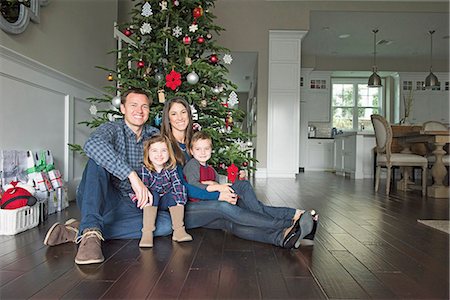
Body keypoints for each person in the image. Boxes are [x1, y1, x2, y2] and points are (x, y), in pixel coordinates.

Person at [159, 97, 318, 249]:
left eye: (183, 112)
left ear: (189, 114)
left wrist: (224, 183)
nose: (179, 117)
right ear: (168, 118)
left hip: (203, 200)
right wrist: (218, 194)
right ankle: (290, 224)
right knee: (225, 208)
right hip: (182, 207)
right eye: (174, 113)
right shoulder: (165, 148)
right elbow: (181, 188)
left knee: (236, 211)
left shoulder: (192, 143)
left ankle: (284, 235)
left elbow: (206, 174)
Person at [43, 88, 173, 265]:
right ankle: (90, 230)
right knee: (98, 159)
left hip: (132, 202)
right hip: (101, 197)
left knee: (165, 224)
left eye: (144, 106)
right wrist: (132, 176)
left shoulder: (154, 135)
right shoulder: (112, 129)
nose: (139, 111)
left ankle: (81, 231)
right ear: (123, 109)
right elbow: (92, 144)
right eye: (133, 105)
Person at [132, 134, 192, 248]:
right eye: (154, 151)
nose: (159, 154)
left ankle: (179, 230)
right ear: (148, 153)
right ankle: (147, 232)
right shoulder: (145, 169)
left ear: (169, 153)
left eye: (163, 150)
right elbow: (144, 188)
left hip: (165, 201)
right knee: (151, 193)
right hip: (150, 202)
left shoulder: (171, 168)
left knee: (175, 192)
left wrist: (180, 200)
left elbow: (177, 184)